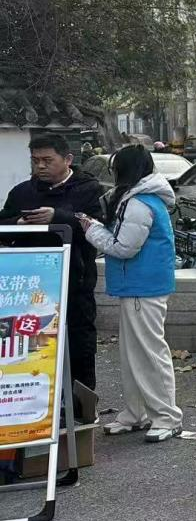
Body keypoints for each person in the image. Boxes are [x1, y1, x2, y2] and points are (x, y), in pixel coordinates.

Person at [80, 145, 182, 442]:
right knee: (133, 352)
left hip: (143, 287)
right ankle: (136, 413)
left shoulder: (139, 203)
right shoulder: (140, 198)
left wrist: (91, 229)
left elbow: (123, 247)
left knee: (149, 353)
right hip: (140, 285)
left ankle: (166, 416)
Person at [3, 133, 105, 401]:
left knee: (78, 346)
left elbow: (100, 228)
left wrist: (58, 217)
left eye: (48, 160)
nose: (40, 167)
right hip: (31, 289)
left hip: (74, 283)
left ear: (68, 159)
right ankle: (35, 407)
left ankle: (81, 411)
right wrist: (19, 224)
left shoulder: (88, 189)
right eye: (35, 161)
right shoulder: (22, 191)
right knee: (33, 346)